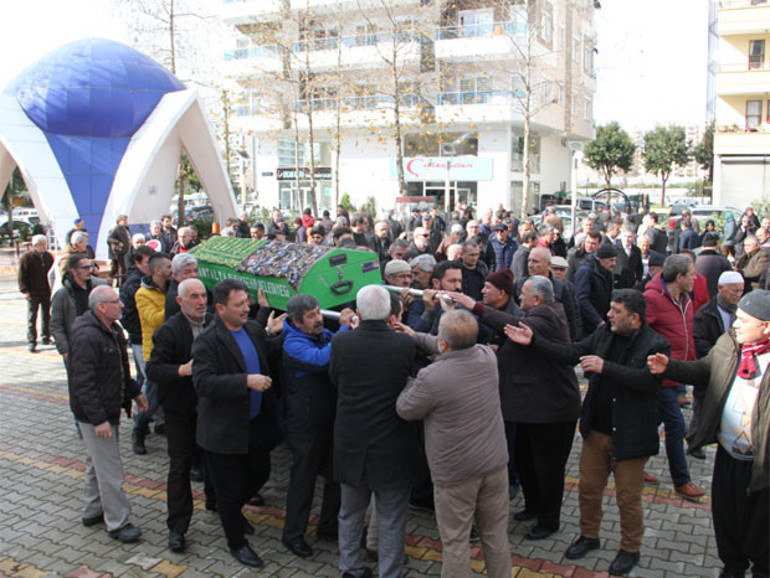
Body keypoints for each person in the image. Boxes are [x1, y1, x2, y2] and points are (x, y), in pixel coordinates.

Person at [505, 289, 671, 577]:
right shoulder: (604, 334)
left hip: (631, 436)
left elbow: (647, 382)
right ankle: (589, 536)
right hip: (596, 431)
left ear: (634, 318)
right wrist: (534, 342)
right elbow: (570, 352)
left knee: (627, 497)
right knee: (589, 489)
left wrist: (606, 367)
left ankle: (630, 549)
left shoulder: (656, 345)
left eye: (615, 311)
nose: (608, 315)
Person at [648, 290, 770, 578]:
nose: (735, 325)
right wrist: (671, 367)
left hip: (763, 468)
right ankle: (732, 569)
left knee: (762, 536)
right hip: (729, 457)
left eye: (743, 320)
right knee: (728, 523)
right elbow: (705, 369)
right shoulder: (730, 344)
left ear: (766, 326)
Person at [452, 276, 579, 540]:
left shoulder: (545, 317)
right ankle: (533, 506)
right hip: (532, 409)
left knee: (548, 469)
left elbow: (514, 324)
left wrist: (473, 306)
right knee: (526, 461)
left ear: (538, 299)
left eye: (523, 294)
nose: (519, 298)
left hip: (552, 411)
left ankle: (548, 520)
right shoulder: (539, 312)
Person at [396, 310, 511, 578]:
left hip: (456, 473)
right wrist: (414, 335)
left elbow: (405, 409)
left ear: (444, 343)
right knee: (495, 535)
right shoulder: (487, 356)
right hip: (495, 464)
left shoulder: (431, 377)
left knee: (455, 541)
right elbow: (449, 348)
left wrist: (409, 384)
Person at [192, 279, 283, 568]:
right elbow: (203, 382)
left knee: (261, 472)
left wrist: (286, 333)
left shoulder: (253, 329)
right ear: (220, 308)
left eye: (247, 302)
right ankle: (237, 543)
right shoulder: (207, 340)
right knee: (229, 490)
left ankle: (228, 508)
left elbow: (266, 353)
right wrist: (245, 381)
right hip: (224, 429)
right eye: (239, 305)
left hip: (255, 425)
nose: (247, 308)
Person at [330, 285, 416, 578]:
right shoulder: (403, 345)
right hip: (391, 443)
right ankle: (390, 572)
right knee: (391, 516)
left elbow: (335, 380)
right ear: (392, 315)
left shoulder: (342, 343)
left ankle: (350, 568)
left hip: (350, 440)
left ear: (358, 313)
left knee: (350, 511)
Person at [68, 285, 148, 543]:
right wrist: (98, 419)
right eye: (116, 301)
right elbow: (83, 383)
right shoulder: (87, 337)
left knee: (97, 462)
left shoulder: (111, 329)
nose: (122, 305)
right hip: (96, 414)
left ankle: (92, 511)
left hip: (106, 410)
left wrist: (135, 391)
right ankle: (118, 522)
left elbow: (120, 368)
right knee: (110, 469)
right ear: (101, 307)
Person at [281, 295, 355, 558]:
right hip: (305, 425)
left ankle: (329, 526)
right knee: (303, 481)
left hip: (327, 420)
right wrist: (344, 329)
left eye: (317, 312)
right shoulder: (292, 343)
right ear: (296, 321)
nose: (319, 319)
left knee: (334, 477)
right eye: (311, 316)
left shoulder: (320, 333)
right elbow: (323, 360)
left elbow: (333, 345)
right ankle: (293, 534)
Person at [145, 278, 215, 552]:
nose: (200, 302)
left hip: (210, 409)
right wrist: (179, 371)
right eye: (194, 297)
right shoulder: (169, 331)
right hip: (180, 412)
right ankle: (177, 526)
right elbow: (153, 370)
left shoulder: (212, 323)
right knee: (180, 467)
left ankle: (217, 504)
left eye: (203, 296)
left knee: (215, 461)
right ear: (180, 301)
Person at [643, 254, 706, 501]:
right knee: (676, 425)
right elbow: (638, 335)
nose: (696, 278)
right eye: (691, 274)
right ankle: (682, 481)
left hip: (677, 373)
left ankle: (628, 460)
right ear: (679, 277)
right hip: (660, 376)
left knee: (653, 422)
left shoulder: (685, 298)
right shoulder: (652, 299)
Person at [688, 271, 744, 459]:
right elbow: (699, 341)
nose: (738, 294)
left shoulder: (742, 312)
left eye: (741, 291)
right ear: (720, 289)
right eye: (734, 290)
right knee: (701, 404)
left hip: (734, 368)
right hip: (711, 366)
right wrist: (719, 356)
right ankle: (695, 440)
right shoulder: (707, 313)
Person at [132, 253, 172, 454]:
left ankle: (162, 425)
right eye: (168, 267)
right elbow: (154, 320)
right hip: (153, 353)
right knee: (151, 397)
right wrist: (175, 304)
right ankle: (138, 431)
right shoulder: (142, 294)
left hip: (170, 350)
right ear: (157, 271)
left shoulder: (170, 288)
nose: (171, 270)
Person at [18, 234, 54, 352]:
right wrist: (25, 291)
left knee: (46, 315)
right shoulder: (27, 258)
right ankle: (32, 340)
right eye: (42, 245)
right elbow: (22, 276)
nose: (44, 247)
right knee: (32, 316)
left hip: (46, 290)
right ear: (35, 245)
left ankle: (46, 337)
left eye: (45, 244)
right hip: (33, 291)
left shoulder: (48, 257)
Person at [574, 243, 617, 335]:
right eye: (611, 260)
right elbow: (582, 299)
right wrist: (597, 320)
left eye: (614, 260)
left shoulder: (607, 272)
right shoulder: (586, 271)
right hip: (587, 325)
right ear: (601, 260)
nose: (614, 264)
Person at [107, 214, 131, 286]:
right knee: (121, 269)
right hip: (118, 253)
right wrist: (118, 242)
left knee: (121, 268)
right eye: (124, 220)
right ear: (119, 221)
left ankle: (119, 283)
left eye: (126, 220)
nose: (125, 222)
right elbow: (109, 238)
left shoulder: (124, 229)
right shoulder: (116, 229)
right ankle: (121, 284)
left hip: (124, 252)